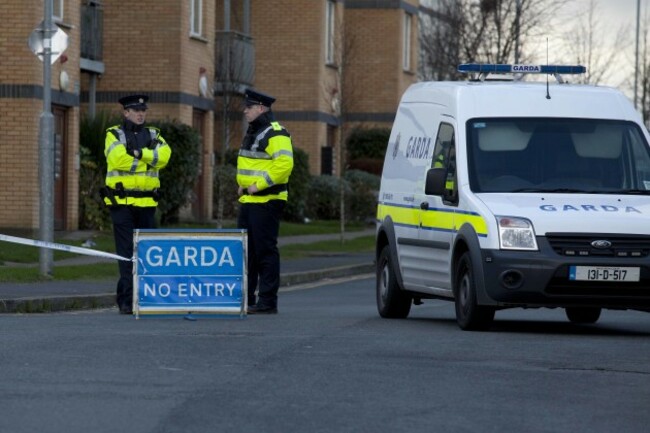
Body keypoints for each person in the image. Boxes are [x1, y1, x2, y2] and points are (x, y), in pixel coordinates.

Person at [101, 94, 172, 314]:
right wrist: (148, 160)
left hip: (147, 204)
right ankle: (126, 300)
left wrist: (139, 153)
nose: (141, 114)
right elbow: (118, 160)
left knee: (148, 252)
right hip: (122, 203)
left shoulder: (154, 134)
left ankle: (145, 296)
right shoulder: (113, 134)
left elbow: (165, 156)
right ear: (126, 112)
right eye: (136, 110)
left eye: (143, 110)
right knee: (125, 254)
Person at [237, 88, 294, 314]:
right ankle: (249, 298)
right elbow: (252, 164)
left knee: (265, 251)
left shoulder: (276, 133)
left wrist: (257, 185)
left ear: (260, 108)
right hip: (250, 200)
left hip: (267, 200)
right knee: (247, 251)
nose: (244, 111)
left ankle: (267, 301)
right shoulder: (255, 131)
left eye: (248, 107)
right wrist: (242, 184)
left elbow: (284, 165)